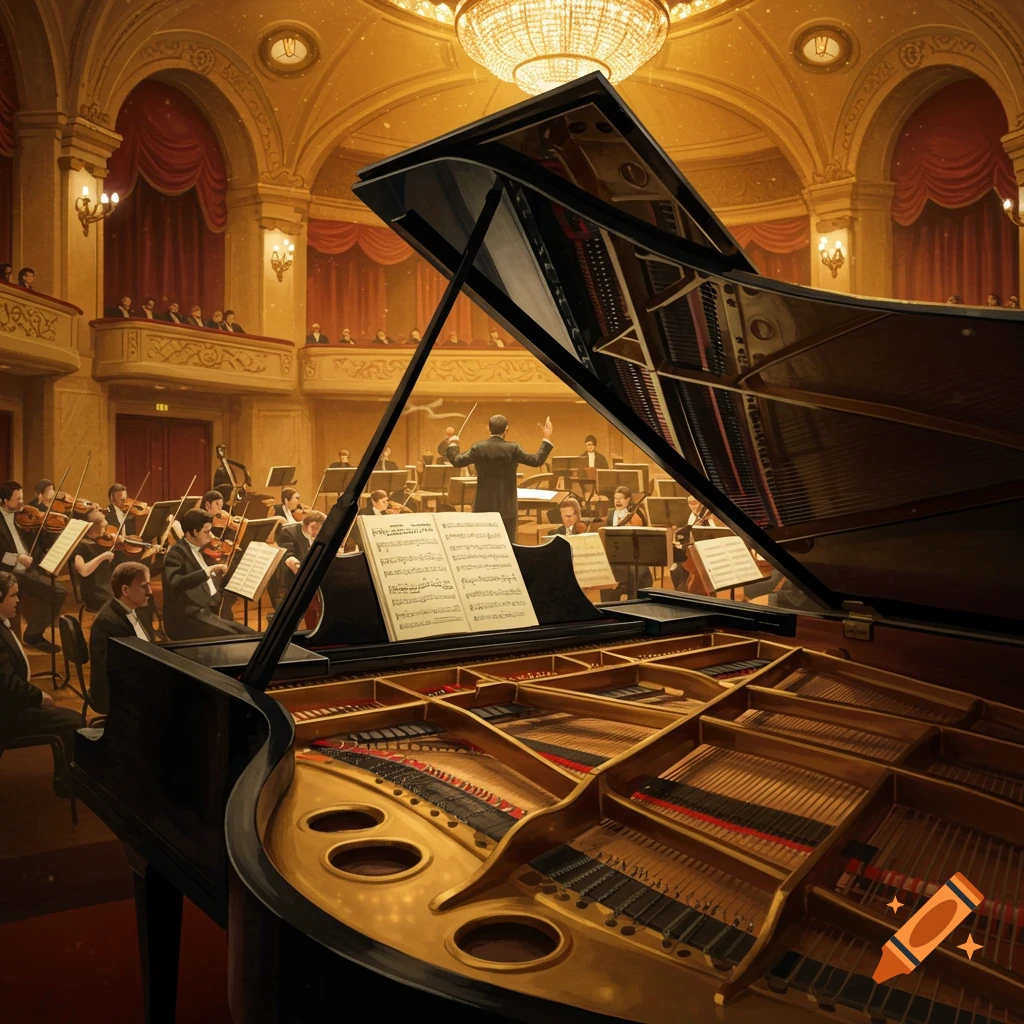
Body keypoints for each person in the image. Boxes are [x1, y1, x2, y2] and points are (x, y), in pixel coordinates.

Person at [0, 572, 80, 798]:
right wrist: (37, 696)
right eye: (13, 596)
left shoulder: (4, 624)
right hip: (8, 713)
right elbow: (8, 683)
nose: (18, 601)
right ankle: (68, 784)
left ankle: (63, 778)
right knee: (74, 721)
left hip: (13, 702)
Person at [447, 414, 554, 538]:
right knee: (507, 545)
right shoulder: (513, 448)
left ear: (489, 429)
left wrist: (453, 444)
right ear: (506, 429)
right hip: (507, 508)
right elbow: (537, 460)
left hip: (482, 507)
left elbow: (456, 461)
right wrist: (547, 437)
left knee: (483, 545)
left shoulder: (478, 447)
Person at [161, 509, 254, 640]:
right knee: (238, 637)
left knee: (250, 633)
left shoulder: (200, 549)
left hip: (203, 611)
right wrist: (208, 571)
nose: (211, 536)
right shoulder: (175, 554)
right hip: (185, 619)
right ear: (193, 532)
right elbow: (176, 583)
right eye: (206, 531)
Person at [0, 481, 65, 653]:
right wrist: (17, 558)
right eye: (18, 499)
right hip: (7, 573)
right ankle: (30, 636)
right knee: (56, 591)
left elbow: (42, 541)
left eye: (22, 497)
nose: (23, 502)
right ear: (5, 501)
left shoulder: (24, 515)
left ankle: (33, 632)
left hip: (28, 571)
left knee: (58, 591)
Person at [87, 561, 157, 714]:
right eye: (144, 586)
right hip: (114, 692)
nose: (150, 592)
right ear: (125, 590)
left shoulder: (139, 610)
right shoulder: (108, 621)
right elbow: (113, 668)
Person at [601, 485, 652, 601]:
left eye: (621, 498)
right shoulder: (611, 514)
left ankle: (635, 597)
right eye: (615, 498)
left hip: (633, 553)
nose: (617, 501)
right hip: (614, 552)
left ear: (628, 499)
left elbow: (643, 536)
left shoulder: (636, 513)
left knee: (636, 571)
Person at [72, 509, 116, 612]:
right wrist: (103, 556)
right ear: (92, 527)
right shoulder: (81, 546)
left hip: (107, 584)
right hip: (94, 590)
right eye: (102, 527)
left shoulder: (101, 542)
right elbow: (83, 571)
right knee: (120, 605)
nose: (105, 530)